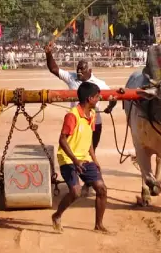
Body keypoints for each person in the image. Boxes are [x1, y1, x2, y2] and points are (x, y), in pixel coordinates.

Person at [45, 42, 116, 196]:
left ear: (90, 71)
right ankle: (76, 181)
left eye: (81, 71)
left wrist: (110, 107)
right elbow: (54, 69)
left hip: (93, 124)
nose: (78, 73)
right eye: (77, 70)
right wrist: (48, 53)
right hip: (74, 121)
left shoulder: (100, 84)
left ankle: (89, 181)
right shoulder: (72, 77)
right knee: (70, 150)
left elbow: (114, 97)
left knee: (89, 152)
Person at [52, 82, 108, 234]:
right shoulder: (72, 115)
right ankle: (57, 215)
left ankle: (99, 225)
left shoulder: (92, 114)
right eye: (97, 97)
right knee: (75, 192)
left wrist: (94, 160)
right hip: (68, 159)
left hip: (85, 158)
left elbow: (89, 140)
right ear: (90, 99)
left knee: (102, 189)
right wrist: (75, 160)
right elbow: (62, 140)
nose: (99, 99)